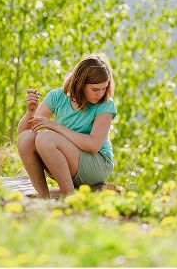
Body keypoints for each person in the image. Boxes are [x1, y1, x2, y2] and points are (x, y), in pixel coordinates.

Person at [16, 53, 117, 198]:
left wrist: (54, 126)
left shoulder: (105, 105)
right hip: (65, 162)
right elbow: (23, 135)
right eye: (95, 89)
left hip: (96, 164)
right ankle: (43, 199)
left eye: (104, 88)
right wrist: (30, 111)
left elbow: (93, 145)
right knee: (27, 139)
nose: (100, 94)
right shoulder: (57, 97)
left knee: (45, 138)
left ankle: (68, 198)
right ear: (80, 83)